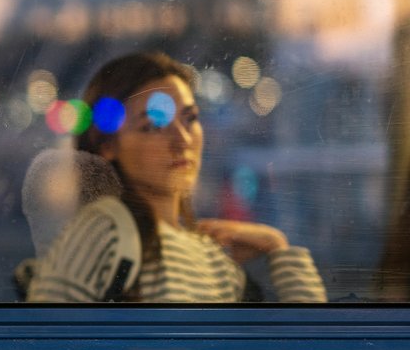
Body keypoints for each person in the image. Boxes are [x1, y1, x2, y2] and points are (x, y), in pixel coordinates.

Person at [27, 51, 326, 303]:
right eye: (154, 125)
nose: (182, 139)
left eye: (190, 118)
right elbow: (43, 344)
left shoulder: (213, 260)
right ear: (107, 145)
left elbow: (311, 348)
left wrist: (276, 246)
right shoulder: (104, 231)